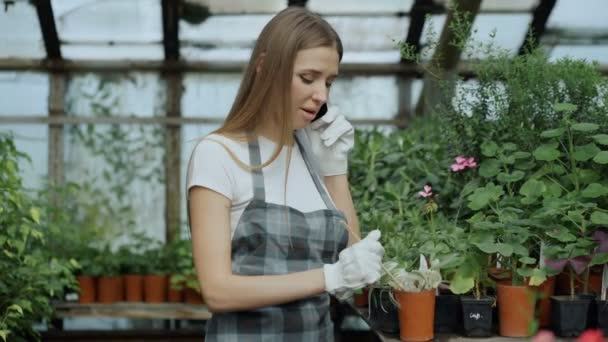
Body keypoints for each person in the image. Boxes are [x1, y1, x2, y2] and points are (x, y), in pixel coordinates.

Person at [186, 6, 385, 341]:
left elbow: (354, 260)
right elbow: (218, 291)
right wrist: (328, 277)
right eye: (307, 78)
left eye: (329, 82)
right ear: (265, 69)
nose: (321, 95)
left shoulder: (312, 155)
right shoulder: (218, 154)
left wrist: (335, 169)